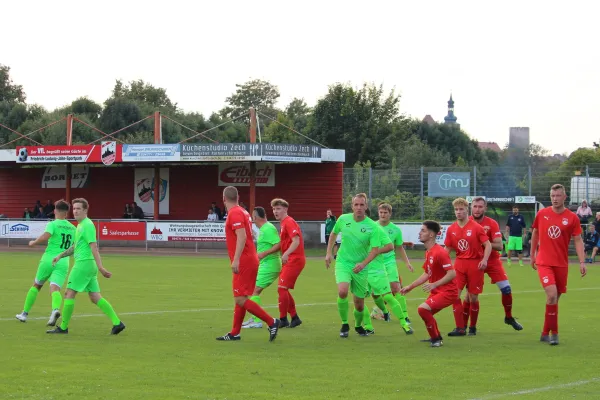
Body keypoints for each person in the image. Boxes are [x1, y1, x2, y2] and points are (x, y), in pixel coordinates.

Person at [46, 198, 125, 335]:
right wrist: (60, 255)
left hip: (84, 264)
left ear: (85, 210)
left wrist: (101, 267)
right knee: (95, 297)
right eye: (74, 208)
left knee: (69, 293)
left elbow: (93, 246)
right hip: (88, 265)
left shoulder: (87, 225)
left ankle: (63, 328)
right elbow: (75, 246)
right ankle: (117, 323)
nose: (75, 211)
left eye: (78, 209)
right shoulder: (81, 226)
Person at [216, 186, 280, 341]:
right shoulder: (242, 211)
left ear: (224, 198)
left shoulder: (235, 213)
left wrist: (236, 259)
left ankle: (272, 322)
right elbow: (247, 234)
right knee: (241, 296)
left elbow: (242, 236)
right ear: (237, 197)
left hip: (244, 260)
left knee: (240, 299)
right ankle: (235, 333)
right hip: (249, 258)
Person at [325, 193, 391, 338]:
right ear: (352, 206)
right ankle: (344, 324)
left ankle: (357, 325)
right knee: (342, 291)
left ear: (366, 207)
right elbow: (333, 234)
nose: (359, 207)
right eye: (356, 205)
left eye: (362, 205)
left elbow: (374, 250)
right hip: (343, 262)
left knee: (359, 304)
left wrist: (363, 264)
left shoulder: (372, 227)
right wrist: (329, 253)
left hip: (361, 267)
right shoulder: (343, 219)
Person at [531, 184, 587, 345]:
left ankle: (544, 332)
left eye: (557, 196)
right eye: (552, 196)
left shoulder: (572, 218)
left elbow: (578, 240)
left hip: (561, 264)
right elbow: (535, 232)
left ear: (564, 197)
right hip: (544, 262)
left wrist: (582, 261)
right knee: (551, 295)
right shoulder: (542, 214)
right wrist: (533, 254)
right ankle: (554, 334)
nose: (554, 199)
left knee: (553, 300)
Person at [16, 200, 76, 325]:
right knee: (55, 288)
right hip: (63, 261)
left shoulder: (53, 224)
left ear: (55, 211)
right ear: (67, 213)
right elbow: (75, 246)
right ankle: (55, 310)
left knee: (37, 285)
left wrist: (34, 242)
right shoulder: (73, 228)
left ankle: (24, 314)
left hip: (49, 259)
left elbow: (46, 236)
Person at [401, 221, 458, 347]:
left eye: (423, 230)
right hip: (438, 290)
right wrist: (410, 286)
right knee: (426, 311)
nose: (419, 233)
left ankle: (436, 339)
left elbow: (452, 273)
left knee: (423, 309)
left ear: (431, 235)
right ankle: (436, 336)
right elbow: (427, 273)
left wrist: (434, 284)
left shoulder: (440, 252)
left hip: (448, 292)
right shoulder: (429, 252)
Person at [470, 197, 523, 331]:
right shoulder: (466, 222)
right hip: (473, 261)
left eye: (480, 207)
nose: (477, 209)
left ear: (485, 208)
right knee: (470, 295)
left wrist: (482, 243)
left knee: (506, 289)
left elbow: (499, 245)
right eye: (475, 206)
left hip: (492, 260)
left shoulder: (491, 223)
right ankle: (468, 327)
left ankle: (509, 317)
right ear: (471, 207)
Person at [444, 197, 492, 337]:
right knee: (455, 295)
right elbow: (447, 248)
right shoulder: (451, 228)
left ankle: (472, 326)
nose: (458, 212)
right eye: (456, 210)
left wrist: (484, 260)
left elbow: (488, 244)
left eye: (461, 209)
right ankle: (460, 327)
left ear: (467, 210)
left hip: (475, 265)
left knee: (473, 298)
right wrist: (440, 263)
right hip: (459, 264)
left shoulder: (476, 227)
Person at [364, 202, 414, 333]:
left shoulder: (395, 230)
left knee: (396, 287)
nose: (383, 215)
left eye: (385, 212)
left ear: (390, 214)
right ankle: (384, 312)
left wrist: (407, 263)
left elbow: (399, 247)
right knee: (375, 294)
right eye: (381, 212)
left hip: (389, 262)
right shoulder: (372, 226)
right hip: (374, 263)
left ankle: (405, 316)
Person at [242, 206, 283, 329]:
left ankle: (257, 320)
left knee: (254, 291)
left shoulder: (268, 229)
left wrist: (264, 254)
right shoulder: (264, 229)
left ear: (255, 217)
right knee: (254, 291)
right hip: (266, 264)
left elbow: (279, 244)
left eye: (252, 217)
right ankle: (255, 318)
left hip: (270, 265)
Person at [271, 198, 305, 328]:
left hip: (294, 259)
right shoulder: (284, 223)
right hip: (291, 259)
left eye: (278, 209)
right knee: (283, 289)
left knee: (281, 288)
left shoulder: (289, 222)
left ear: (285, 209)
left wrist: (286, 253)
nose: (275, 211)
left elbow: (295, 240)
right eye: (274, 209)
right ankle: (294, 317)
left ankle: (283, 319)